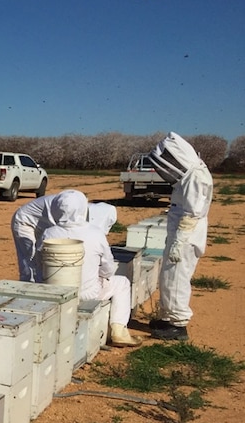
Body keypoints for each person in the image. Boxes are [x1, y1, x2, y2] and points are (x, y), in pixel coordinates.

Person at [40, 190, 142, 347]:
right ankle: (119, 331)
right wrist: (99, 274)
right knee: (121, 283)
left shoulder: (49, 232)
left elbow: (39, 262)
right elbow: (108, 269)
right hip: (88, 294)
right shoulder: (96, 233)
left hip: (54, 293)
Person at [146, 132, 213, 341]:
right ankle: (167, 317)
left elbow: (192, 214)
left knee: (176, 280)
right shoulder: (189, 176)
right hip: (180, 236)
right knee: (168, 278)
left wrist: (178, 241)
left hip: (185, 238)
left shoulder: (195, 177)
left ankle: (178, 325)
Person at [11, 190, 83, 282]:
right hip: (23, 221)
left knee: (41, 259)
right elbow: (60, 230)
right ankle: (28, 285)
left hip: (40, 222)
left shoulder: (71, 206)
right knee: (31, 257)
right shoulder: (60, 207)